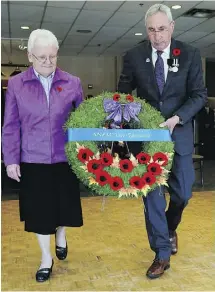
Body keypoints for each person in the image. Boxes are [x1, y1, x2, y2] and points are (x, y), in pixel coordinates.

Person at [118, 4, 207, 279]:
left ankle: (170, 228)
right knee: (152, 200)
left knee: (182, 194)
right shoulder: (134, 56)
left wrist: (177, 118)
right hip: (146, 142)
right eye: (151, 30)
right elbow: (123, 93)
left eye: (162, 29)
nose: (157, 36)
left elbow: (199, 95)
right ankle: (161, 254)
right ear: (147, 30)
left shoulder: (189, 55)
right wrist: (122, 123)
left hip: (177, 137)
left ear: (172, 27)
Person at [2, 29, 84, 282]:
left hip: (64, 158)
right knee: (39, 213)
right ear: (29, 56)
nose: (47, 62)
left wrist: (87, 153)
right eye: (41, 57)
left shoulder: (73, 82)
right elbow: (11, 125)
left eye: (52, 57)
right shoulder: (16, 85)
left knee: (62, 207)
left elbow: (83, 121)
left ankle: (60, 235)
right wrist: (11, 159)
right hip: (33, 159)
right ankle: (45, 258)